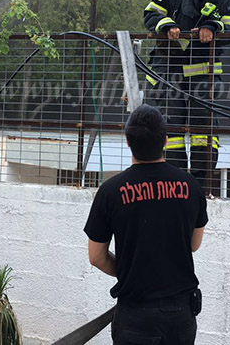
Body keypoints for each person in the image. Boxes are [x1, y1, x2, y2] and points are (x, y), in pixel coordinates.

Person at [84, 104, 208, 345]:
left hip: (135, 314)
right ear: (165, 141)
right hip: (180, 314)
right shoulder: (191, 186)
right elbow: (193, 245)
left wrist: (131, 272)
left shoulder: (110, 191)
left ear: (128, 142)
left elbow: (96, 257)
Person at [143, 0, 230, 190]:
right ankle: (173, 183)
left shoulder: (223, 3)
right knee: (171, 131)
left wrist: (213, 28)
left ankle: (199, 185)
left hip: (202, 78)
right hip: (169, 74)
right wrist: (167, 25)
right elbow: (150, 14)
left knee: (203, 132)